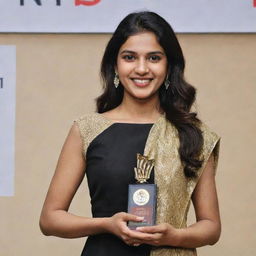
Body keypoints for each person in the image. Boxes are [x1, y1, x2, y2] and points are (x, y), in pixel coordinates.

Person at [40, 11, 221, 256]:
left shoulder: (193, 134)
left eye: (154, 58)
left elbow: (211, 227)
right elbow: (50, 220)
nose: (142, 68)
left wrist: (174, 235)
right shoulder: (87, 129)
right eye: (129, 57)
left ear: (169, 67)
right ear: (115, 64)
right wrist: (106, 224)